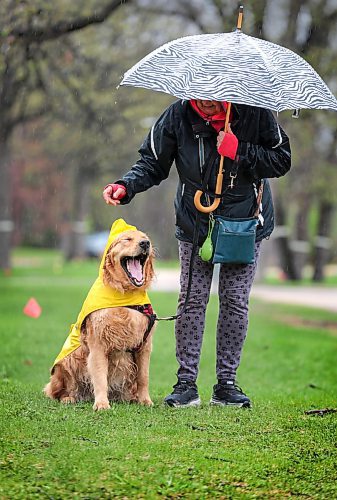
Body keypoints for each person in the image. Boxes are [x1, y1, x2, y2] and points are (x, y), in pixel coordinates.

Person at [103, 98, 291, 408]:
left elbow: (281, 160)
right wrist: (126, 186)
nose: (205, 103)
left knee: (235, 301)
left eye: (213, 98)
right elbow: (152, 162)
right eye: (198, 96)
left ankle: (227, 385)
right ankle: (186, 385)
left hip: (245, 222)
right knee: (192, 300)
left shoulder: (256, 113)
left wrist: (239, 150)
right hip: (196, 221)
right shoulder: (178, 114)